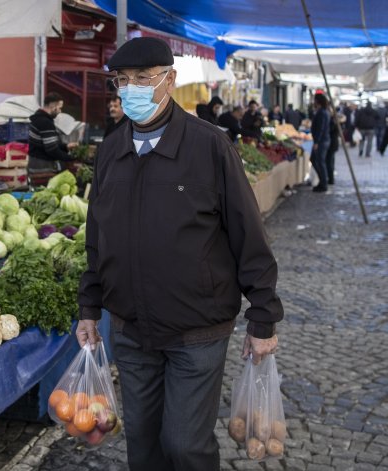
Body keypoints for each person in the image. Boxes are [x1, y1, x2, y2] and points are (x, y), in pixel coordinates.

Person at [76, 37, 282, 471]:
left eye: (144, 79)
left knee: (185, 444)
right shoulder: (111, 151)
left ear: (170, 80)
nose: (130, 89)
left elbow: (248, 233)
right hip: (132, 331)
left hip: (197, 330)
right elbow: (97, 236)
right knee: (143, 445)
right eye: (122, 80)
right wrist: (89, 307)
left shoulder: (210, 146)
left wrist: (263, 316)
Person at [28, 92, 76, 176]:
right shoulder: (45, 122)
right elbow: (52, 149)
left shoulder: (38, 118)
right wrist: (71, 158)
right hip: (42, 168)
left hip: (35, 164)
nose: (60, 111)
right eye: (59, 108)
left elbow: (46, 144)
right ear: (53, 106)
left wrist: (66, 146)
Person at [310, 93, 332, 192]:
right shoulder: (324, 112)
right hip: (323, 140)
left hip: (321, 141)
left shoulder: (322, 113)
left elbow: (321, 128)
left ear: (317, 101)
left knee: (319, 161)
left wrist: (317, 142)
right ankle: (322, 182)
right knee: (316, 160)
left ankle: (323, 183)